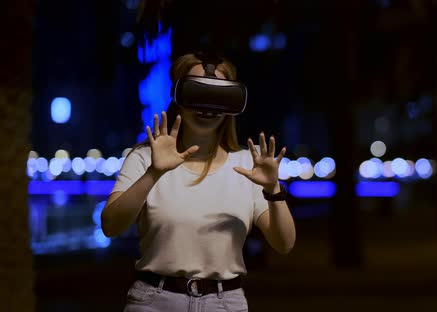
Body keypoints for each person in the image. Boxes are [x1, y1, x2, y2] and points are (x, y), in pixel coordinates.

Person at [101, 51, 296, 312]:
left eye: (219, 95)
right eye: (197, 93)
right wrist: (153, 173)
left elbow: (284, 244)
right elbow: (111, 226)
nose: (207, 106)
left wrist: (273, 189)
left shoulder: (248, 166)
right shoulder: (145, 158)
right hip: (154, 300)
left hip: (225, 301)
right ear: (178, 96)